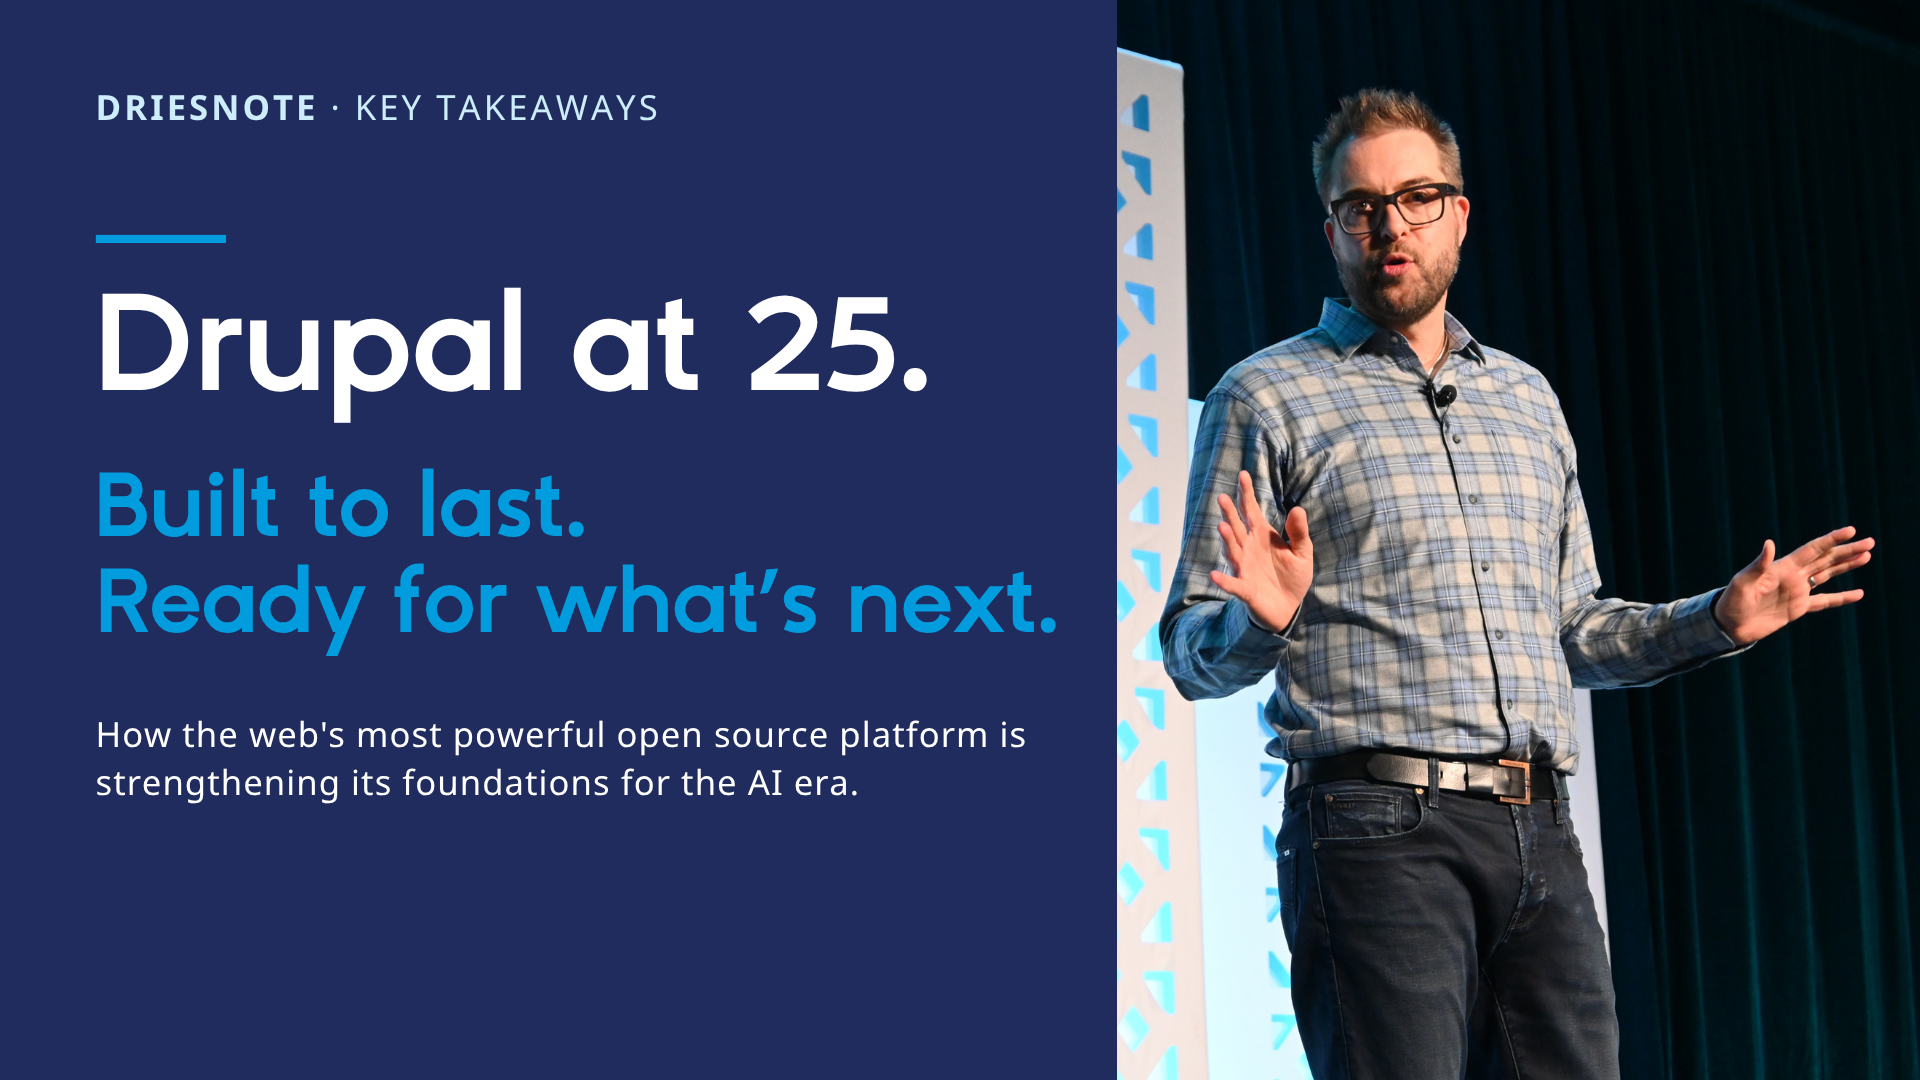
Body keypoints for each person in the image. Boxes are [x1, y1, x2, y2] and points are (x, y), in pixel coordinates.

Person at [1158, 89, 1874, 1080]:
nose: (1390, 226)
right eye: (1361, 207)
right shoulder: (1265, 395)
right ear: (1331, 232)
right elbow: (1188, 652)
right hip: (1373, 830)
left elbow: (1574, 628)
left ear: (1458, 214)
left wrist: (1718, 618)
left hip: (1539, 824)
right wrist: (1258, 623)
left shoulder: (1527, 399)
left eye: (1416, 198)